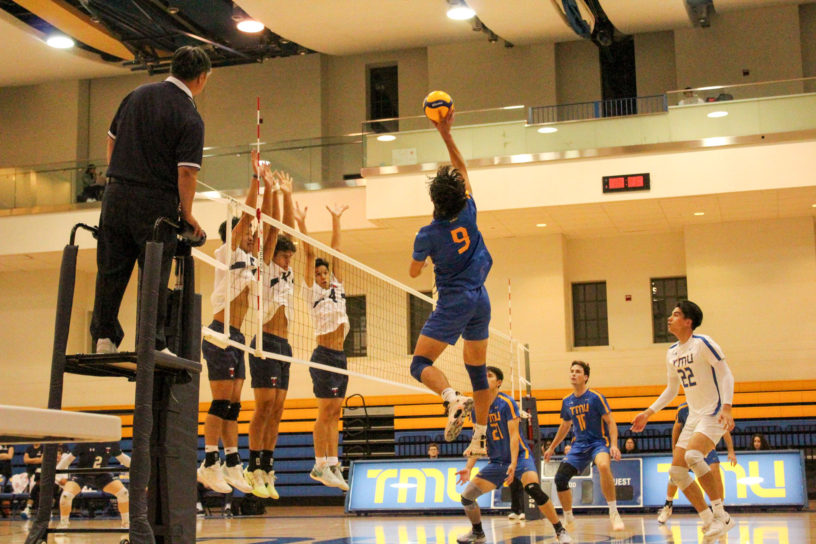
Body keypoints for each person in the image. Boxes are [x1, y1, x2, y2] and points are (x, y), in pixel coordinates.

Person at [91, 45, 209, 355]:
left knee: (110, 269)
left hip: (115, 195)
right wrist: (187, 214)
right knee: (154, 273)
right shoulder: (189, 115)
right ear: (201, 78)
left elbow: (111, 139)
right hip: (155, 202)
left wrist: (119, 178)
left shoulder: (137, 94)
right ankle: (152, 342)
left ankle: (104, 338)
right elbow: (187, 173)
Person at [408, 108, 493, 458]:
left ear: (434, 201)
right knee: (478, 372)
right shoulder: (469, 210)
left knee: (419, 364)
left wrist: (425, 255)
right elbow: (462, 168)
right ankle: (481, 438)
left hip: (454, 301)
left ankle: (451, 398)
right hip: (480, 298)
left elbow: (414, 272)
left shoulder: (427, 234)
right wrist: (446, 134)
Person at [631, 300, 736, 540]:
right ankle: (708, 519)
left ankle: (721, 515)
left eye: (676, 314)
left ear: (688, 322)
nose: (669, 318)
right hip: (694, 415)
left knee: (693, 456)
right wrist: (648, 413)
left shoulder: (703, 343)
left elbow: (726, 374)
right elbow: (671, 390)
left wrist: (727, 407)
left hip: (713, 410)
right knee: (677, 471)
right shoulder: (672, 352)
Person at [197, 158, 267, 496]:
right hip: (219, 334)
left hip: (236, 337)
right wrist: (256, 179)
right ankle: (209, 461)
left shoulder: (250, 261)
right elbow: (248, 215)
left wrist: (271, 192)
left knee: (234, 405)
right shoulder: (227, 251)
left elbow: (261, 223)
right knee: (221, 402)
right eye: (247, 234)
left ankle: (232, 461)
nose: (252, 237)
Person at [455, 366, 571, 543]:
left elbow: (514, 436)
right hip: (497, 462)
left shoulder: (506, 403)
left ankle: (560, 530)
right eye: (483, 375)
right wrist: (468, 468)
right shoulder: (477, 408)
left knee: (533, 488)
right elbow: (478, 440)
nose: (485, 378)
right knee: (467, 497)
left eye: (489, 376)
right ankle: (478, 533)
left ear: (499, 382)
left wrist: (514, 463)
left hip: (521, 457)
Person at [245, 168, 296, 500]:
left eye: (290, 255)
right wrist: (272, 190)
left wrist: (288, 194)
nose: (288, 259)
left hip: (284, 346)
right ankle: (252, 467)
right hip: (264, 341)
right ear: (273, 254)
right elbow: (275, 228)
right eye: (284, 255)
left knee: (277, 409)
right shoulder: (264, 266)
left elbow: (289, 230)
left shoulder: (289, 272)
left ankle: (267, 466)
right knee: (263, 405)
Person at [295, 201, 351, 491]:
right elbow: (308, 253)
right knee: (325, 410)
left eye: (324, 273)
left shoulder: (337, 287)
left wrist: (336, 219)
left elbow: (336, 251)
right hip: (324, 356)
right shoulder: (312, 292)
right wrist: (302, 223)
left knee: (335, 412)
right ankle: (319, 463)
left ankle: (333, 463)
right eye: (318, 274)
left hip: (341, 357)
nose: (322, 276)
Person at [543, 361, 624, 532]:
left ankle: (614, 512)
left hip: (598, 443)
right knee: (560, 479)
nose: (573, 374)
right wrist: (552, 447)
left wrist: (614, 445)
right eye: (571, 371)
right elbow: (565, 426)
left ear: (585, 377)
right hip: (578, 446)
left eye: (578, 371)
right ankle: (569, 518)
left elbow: (611, 422)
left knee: (603, 466)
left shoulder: (596, 397)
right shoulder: (567, 401)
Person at [657, 401, 737, 524]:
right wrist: (674, 449)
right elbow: (676, 428)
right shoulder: (683, 408)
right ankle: (668, 504)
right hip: (687, 443)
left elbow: (724, 430)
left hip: (705, 444)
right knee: (675, 474)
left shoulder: (712, 405)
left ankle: (720, 510)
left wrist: (731, 451)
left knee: (715, 470)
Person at [54, 442, 131, 529]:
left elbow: (123, 458)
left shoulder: (111, 442)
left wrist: (136, 465)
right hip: (81, 474)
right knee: (66, 496)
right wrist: (56, 472)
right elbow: (68, 459)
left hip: (102, 475)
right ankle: (63, 524)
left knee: (123, 493)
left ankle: (126, 524)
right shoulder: (85, 442)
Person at [20, 443, 43, 519]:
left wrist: (30, 460)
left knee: (37, 486)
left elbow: (41, 460)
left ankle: (29, 508)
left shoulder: (43, 448)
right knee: (33, 486)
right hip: (30, 472)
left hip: (41, 473)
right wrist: (36, 460)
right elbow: (25, 460)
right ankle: (28, 508)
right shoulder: (29, 448)